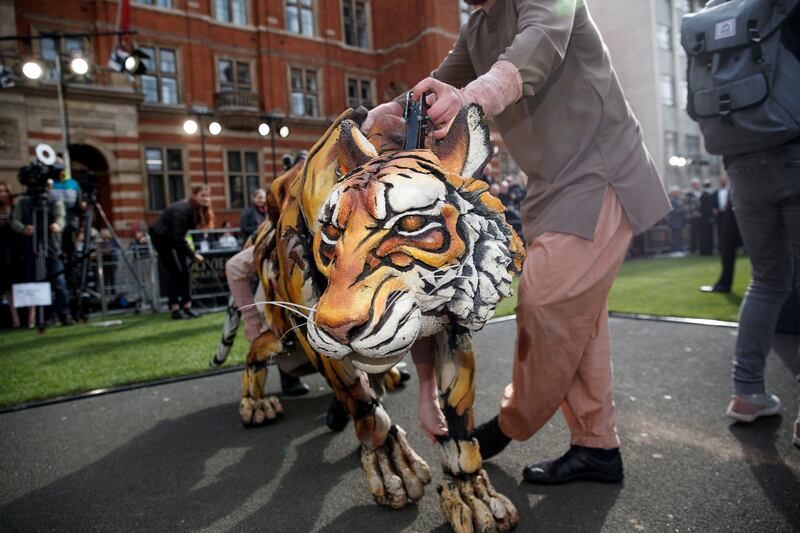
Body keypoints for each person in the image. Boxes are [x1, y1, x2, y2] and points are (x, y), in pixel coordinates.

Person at [364, 0, 670, 483]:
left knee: (545, 301)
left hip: (599, 170)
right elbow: (437, 86)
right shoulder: (479, 25)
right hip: (550, 186)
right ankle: (597, 446)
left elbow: (537, 45)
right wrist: (388, 114)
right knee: (579, 322)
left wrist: (472, 97)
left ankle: (509, 424)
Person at [11, 179, 73, 326]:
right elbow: (15, 220)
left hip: (52, 247)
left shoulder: (54, 201)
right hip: (31, 247)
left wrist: (58, 225)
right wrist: (22, 228)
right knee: (37, 283)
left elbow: (61, 217)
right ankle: (45, 316)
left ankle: (65, 314)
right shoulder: (24, 202)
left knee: (59, 281)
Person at [148, 184, 214, 320]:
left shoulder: (197, 210)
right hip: (162, 238)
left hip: (174, 239)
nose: (206, 198)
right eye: (202, 195)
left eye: (208, 196)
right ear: (195, 196)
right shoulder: (183, 209)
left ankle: (187, 307)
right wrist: (192, 254)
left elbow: (180, 237)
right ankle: (175, 308)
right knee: (175, 272)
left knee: (185, 272)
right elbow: (178, 237)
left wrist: (191, 253)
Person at [700, 175, 741, 294]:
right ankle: (724, 284)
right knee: (726, 250)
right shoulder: (721, 192)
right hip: (727, 218)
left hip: (740, 216)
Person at [0, 182, 26, 328]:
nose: (3, 193)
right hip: (3, 253)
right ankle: (15, 319)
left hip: (17, 251)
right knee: (8, 287)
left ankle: (29, 318)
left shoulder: (17, 207)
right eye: (0, 191)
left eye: (5, 190)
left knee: (22, 282)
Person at [698, 179, 716, 255]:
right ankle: (707, 250)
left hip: (704, 218)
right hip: (707, 218)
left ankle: (706, 250)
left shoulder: (703, 194)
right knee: (707, 235)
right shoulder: (707, 195)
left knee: (706, 235)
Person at [667, 186, 687, 252]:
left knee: (679, 236)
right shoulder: (671, 200)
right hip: (675, 222)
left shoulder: (679, 200)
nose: (678, 193)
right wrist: (682, 210)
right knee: (675, 237)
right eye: (676, 192)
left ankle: (679, 248)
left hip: (680, 221)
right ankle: (675, 249)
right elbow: (673, 211)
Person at [685, 178, 702, 254]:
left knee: (700, 233)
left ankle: (700, 248)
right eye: (694, 184)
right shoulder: (689, 194)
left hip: (701, 216)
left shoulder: (701, 192)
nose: (696, 185)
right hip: (693, 216)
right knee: (693, 233)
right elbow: (686, 204)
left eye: (697, 184)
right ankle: (692, 249)